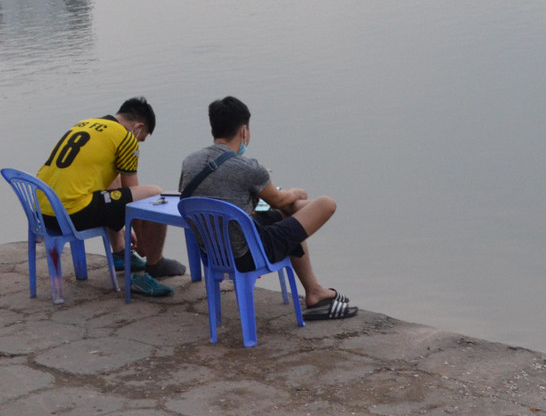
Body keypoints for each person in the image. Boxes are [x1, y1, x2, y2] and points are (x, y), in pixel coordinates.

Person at [178, 96, 356, 320]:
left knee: (287, 216)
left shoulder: (189, 162)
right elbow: (280, 200)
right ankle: (314, 291)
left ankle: (314, 290)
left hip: (213, 252)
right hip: (246, 253)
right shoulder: (249, 168)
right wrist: (296, 193)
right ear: (244, 131)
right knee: (325, 204)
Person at [36, 97, 186, 297]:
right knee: (155, 194)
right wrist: (142, 241)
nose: (139, 142)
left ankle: (119, 252)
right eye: (142, 138)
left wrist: (122, 227)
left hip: (42, 214)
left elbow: (118, 191)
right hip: (71, 215)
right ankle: (154, 264)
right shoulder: (126, 137)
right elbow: (138, 201)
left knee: (112, 178)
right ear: (138, 127)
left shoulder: (87, 124)